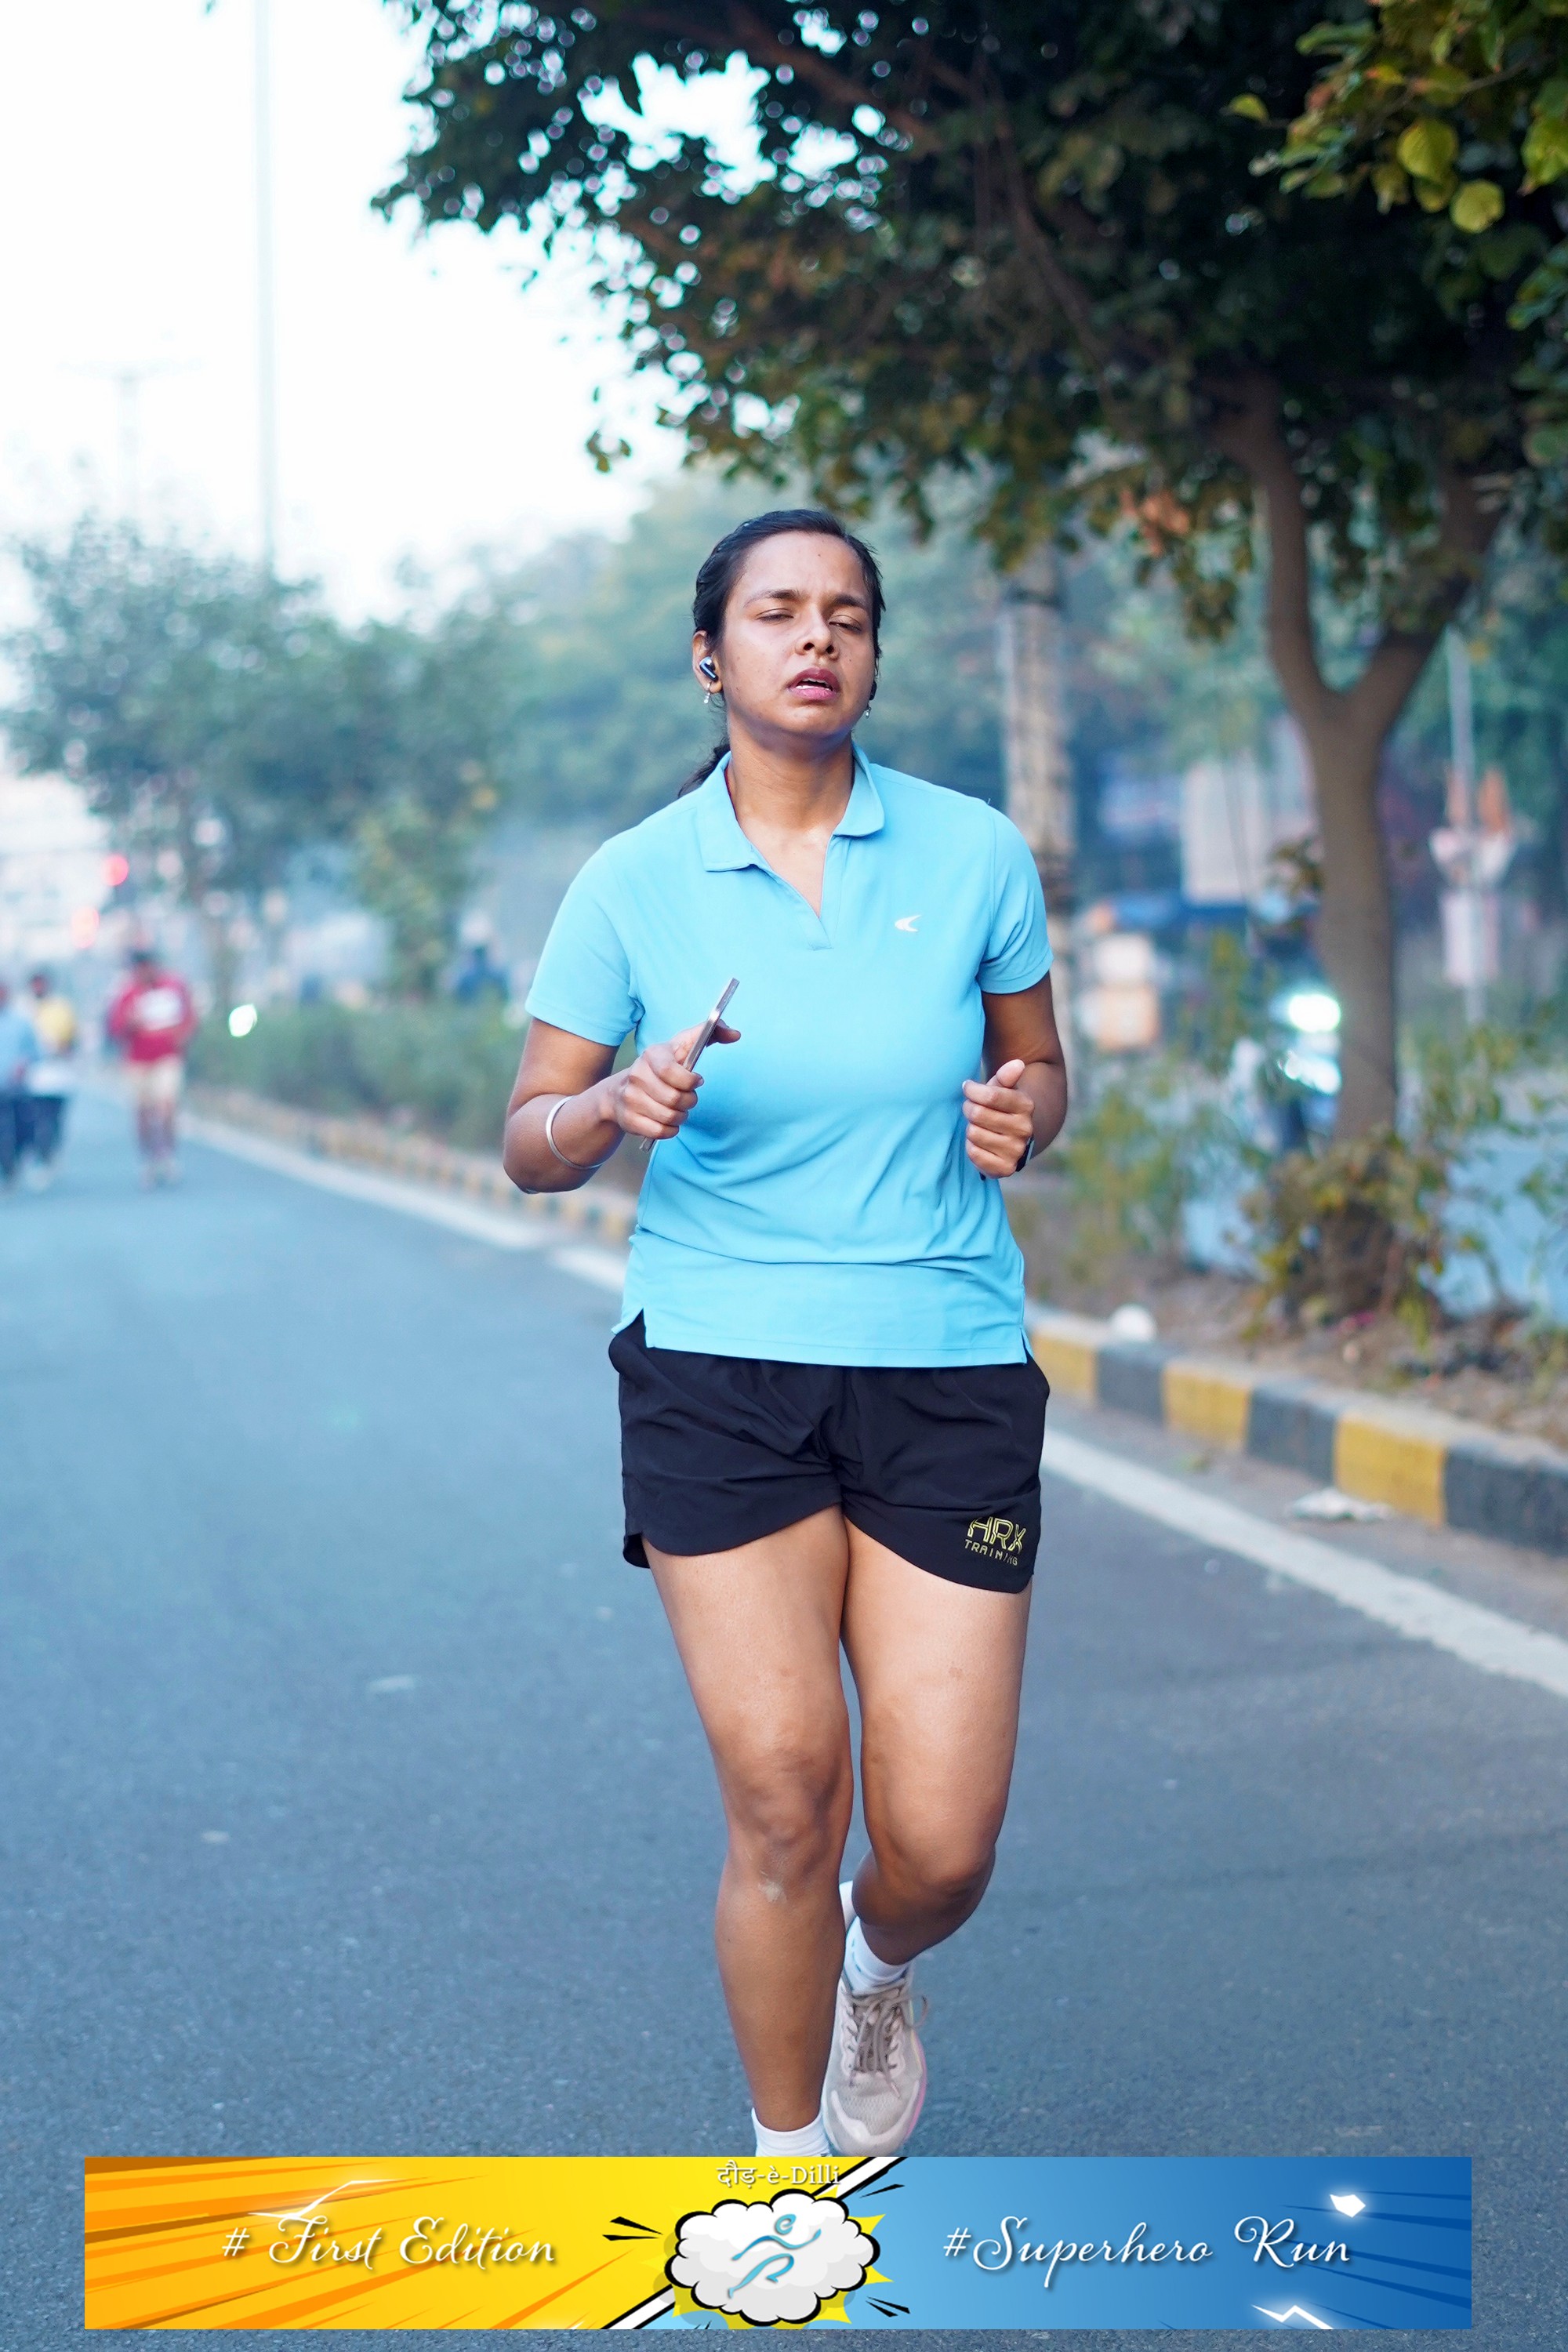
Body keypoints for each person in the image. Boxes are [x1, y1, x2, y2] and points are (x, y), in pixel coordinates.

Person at [503, 510, 1068, 2162]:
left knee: (941, 1844)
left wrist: (1025, 1113)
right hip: (720, 1368)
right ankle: (786, 2182)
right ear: (713, 655)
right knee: (781, 1792)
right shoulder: (632, 881)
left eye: (847, 615)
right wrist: (608, 1107)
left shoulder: (972, 853)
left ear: (873, 655)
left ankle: (875, 1969)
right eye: (776, 613)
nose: (816, 637)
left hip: (945, 1361)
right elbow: (528, 1140)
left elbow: (1041, 1075)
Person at [106, 949, 198, 1186]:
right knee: (143, 1113)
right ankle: (148, 1158)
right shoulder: (128, 994)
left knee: (167, 1106)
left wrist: (184, 1036)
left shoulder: (174, 987)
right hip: (138, 1062)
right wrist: (130, 1022)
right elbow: (115, 1029)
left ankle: (168, 1154)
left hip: (168, 1058)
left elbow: (190, 1018)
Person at [22, 968, 78, 1189]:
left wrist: (61, 1048)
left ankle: (51, 1153)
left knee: (54, 1120)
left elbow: (73, 1040)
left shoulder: (62, 1008)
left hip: (58, 1077)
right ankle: (41, 1156)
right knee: (36, 1121)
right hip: (32, 1079)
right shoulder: (24, 1009)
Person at [0, 978, 40, 1190]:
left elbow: (35, 1052)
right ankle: (6, 1169)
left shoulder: (20, 1023)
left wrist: (24, 1063)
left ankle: (16, 1161)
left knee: (20, 1130)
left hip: (14, 1088)